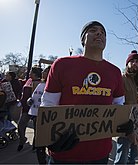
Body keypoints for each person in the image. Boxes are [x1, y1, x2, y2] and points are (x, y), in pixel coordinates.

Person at [40, 21, 125, 164]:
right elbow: (48, 104)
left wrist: (124, 123)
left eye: (103, 32)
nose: (99, 33)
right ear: (82, 39)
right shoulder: (62, 64)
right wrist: (49, 138)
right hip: (64, 152)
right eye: (93, 30)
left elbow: (119, 105)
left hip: (100, 154)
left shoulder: (115, 72)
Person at [114, 50, 138, 164]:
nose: (135, 63)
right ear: (127, 64)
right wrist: (126, 124)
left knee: (133, 155)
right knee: (122, 155)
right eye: (132, 61)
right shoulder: (122, 79)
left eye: (137, 61)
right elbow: (118, 102)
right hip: (126, 124)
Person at [27, 66, 51, 164]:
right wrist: (30, 100)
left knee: (45, 137)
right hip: (37, 114)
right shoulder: (40, 84)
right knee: (39, 136)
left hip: (47, 116)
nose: (43, 72)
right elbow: (35, 95)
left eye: (45, 71)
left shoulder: (54, 85)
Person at [17, 66, 42, 151]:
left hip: (36, 109)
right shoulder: (29, 80)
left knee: (36, 128)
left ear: (35, 73)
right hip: (25, 108)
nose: (29, 72)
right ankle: (22, 140)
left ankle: (35, 145)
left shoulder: (41, 83)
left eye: (31, 71)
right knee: (20, 125)